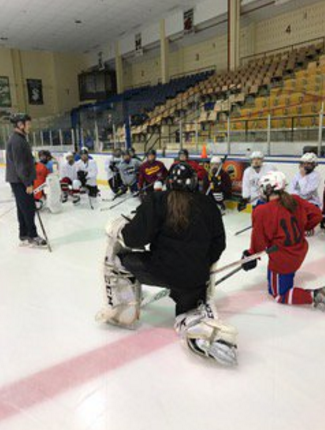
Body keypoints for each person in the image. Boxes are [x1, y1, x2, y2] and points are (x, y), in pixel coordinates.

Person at [96, 162, 237, 366]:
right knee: (187, 312)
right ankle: (198, 328)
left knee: (120, 262)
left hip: (159, 271)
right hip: (195, 279)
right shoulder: (208, 205)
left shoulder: (158, 201)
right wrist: (200, 266)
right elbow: (218, 245)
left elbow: (135, 239)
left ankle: (123, 309)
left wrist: (120, 229)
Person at [242, 171, 324, 309]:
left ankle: (315, 295)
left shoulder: (262, 210)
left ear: (268, 189)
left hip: (283, 258)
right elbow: (316, 214)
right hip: (299, 250)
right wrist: (303, 227)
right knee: (272, 284)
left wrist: (251, 254)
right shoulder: (294, 200)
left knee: (279, 295)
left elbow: (259, 241)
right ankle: (286, 278)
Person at [5, 113, 47, 247]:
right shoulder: (17, 141)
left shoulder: (19, 139)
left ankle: (23, 234)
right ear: (20, 125)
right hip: (21, 181)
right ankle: (32, 235)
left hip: (18, 180)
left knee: (22, 208)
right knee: (28, 208)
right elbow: (20, 165)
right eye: (28, 124)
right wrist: (28, 183)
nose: (30, 127)